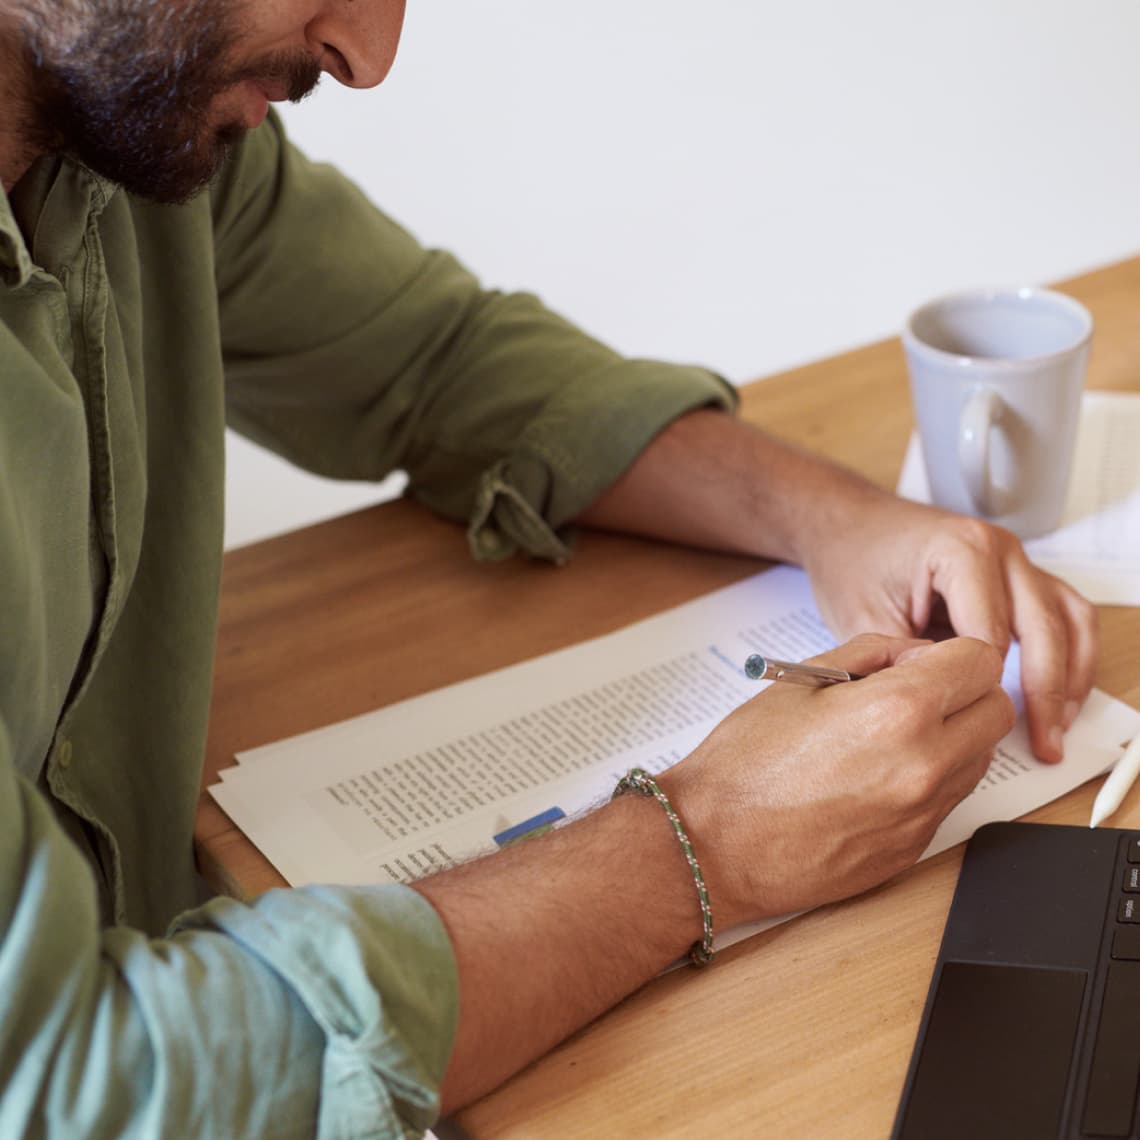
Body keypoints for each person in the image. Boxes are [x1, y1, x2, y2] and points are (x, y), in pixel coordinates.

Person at [0, 0, 1097, 1136]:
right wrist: (706, 841)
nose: (368, 56)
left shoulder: (138, 130)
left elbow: (439, 358)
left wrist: (839, 519)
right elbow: (86, 1074)